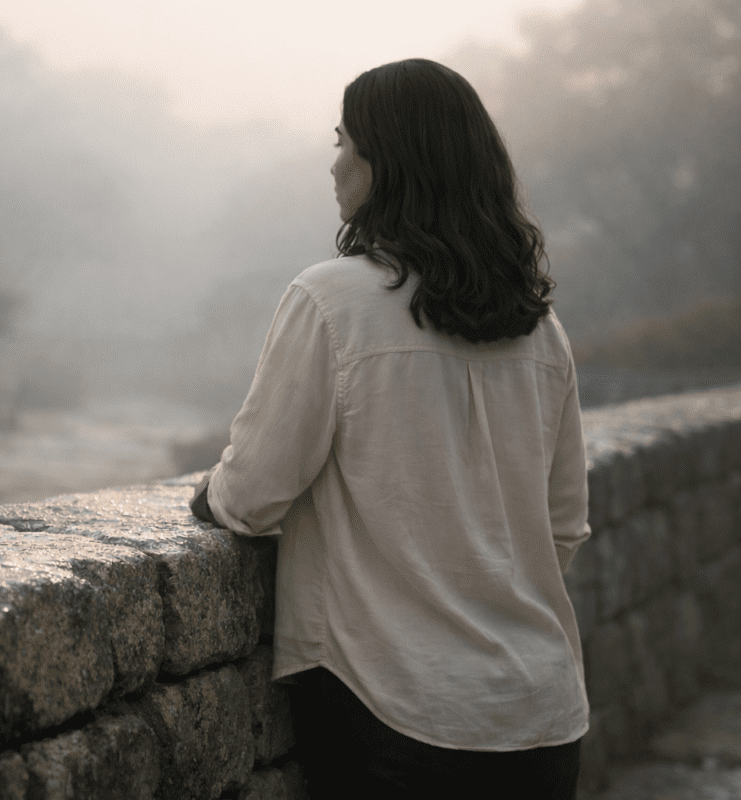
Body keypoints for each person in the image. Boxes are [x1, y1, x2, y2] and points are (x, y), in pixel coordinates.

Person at [190, 58, 590, 799]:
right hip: (539, 713)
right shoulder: (542, 330)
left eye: (346, 142)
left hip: (393, 710)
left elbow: (250, 498)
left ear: (391, 164)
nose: (334, 164)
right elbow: (563, 528)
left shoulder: (330, 301)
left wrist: (205, 496)